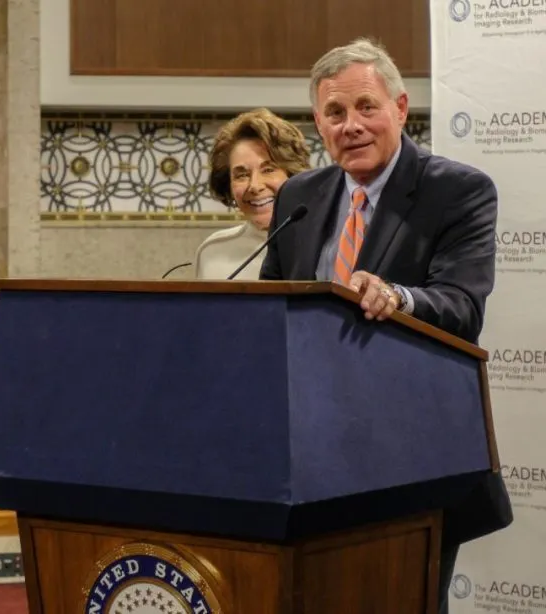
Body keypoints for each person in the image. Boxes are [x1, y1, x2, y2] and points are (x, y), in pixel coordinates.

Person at [259, 38, 513, 614]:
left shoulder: (458, 191)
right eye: (335, 113)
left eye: (366, 106)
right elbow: (271, 304)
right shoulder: (300, 195)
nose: (351, 124)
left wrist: (396, 297)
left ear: (400, 108)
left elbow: (462, 306)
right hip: (308, 458)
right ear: (319, 125)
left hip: (411, 457)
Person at [194, 108, 310, 280]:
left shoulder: (325, 244)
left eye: (268, 170)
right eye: (241, 175)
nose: (254, 186)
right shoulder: (211, 252)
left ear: (293, 175)